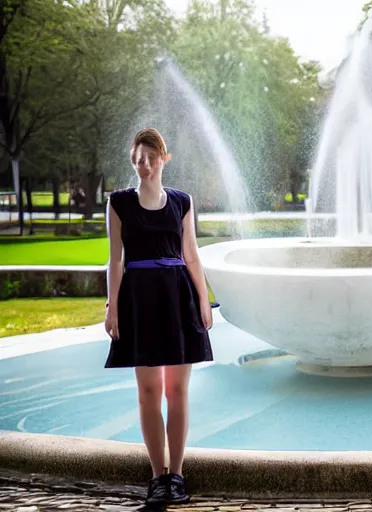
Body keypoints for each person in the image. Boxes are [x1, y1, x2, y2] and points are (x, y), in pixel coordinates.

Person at [103, 128, 214, 507]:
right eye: (139, 159)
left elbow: (192, 255)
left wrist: (203, 299)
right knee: (148, 391)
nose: (145, 164)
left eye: (152, 157)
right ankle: (157, 477)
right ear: (132, 162)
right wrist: (113, 305)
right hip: (138, 301)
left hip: (177, 298)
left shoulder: (182, 201)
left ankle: (177, 476)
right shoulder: (118, 203)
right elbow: (115, 260)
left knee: (176, 390)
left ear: (164, 159)